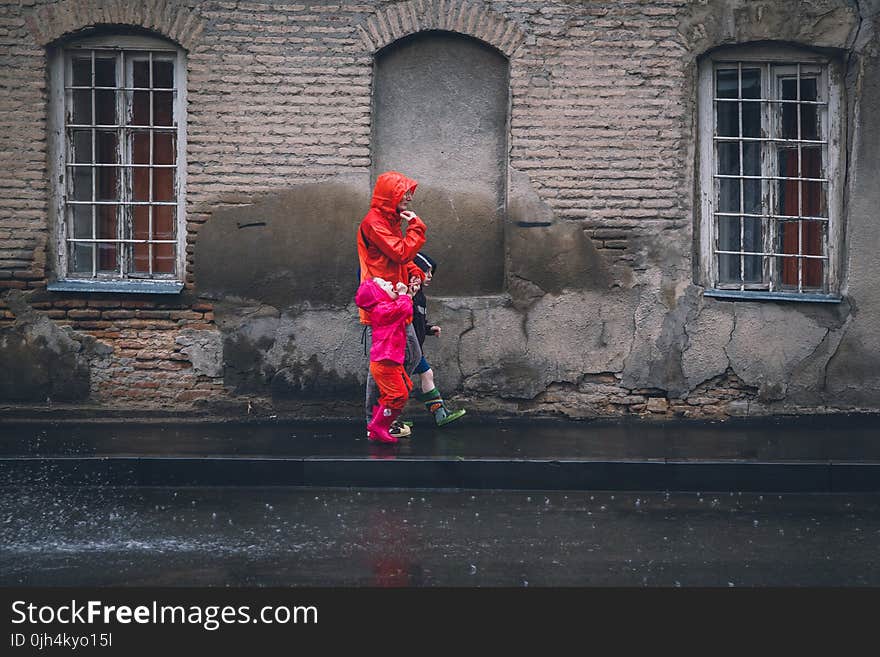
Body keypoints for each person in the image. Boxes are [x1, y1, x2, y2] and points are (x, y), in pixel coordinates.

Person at [357, 171, 426, 439]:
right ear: (390, 196)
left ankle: (386, 415)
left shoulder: (390, 220)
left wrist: (415, 274)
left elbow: (397, 258)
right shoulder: (374, 222)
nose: (409, 197)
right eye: (404, 192)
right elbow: (399, 251)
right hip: (381, 303)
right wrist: (418, 228)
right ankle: (376, 420)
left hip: (397, 300)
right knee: (385, 365)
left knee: (407, 358)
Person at [354, 277, 418, 444]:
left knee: (398, 392)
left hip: (390, 361)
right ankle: (378, 425)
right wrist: (404, 295)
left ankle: (379, 426)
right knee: (398, 394)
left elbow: (406, 312)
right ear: (377, 295)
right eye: (384, 284)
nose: (390, 283)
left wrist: (409, 295)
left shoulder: (387, 307)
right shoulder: (381, 310)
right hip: (384, 362)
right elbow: (402, 309)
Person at [408, 252, 466, 426]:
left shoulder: (421, 297)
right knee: (399, 384)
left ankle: (440, 414)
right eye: (426, 271)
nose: (430, 276)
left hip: (415, 347)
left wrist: (429, 329)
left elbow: (418, 322)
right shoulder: (408, 294)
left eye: (431, 272)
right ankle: (386, 418)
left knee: (425, 375)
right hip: (405, 347)